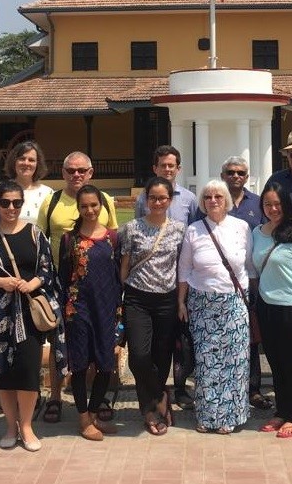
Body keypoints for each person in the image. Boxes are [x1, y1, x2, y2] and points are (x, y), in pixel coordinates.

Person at [0, 180, 63, 452]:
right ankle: (11, 426)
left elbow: (47, 270)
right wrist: (0, 282)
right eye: (5, 202)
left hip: (28, 316)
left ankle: (28, 426)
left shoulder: (35, 234)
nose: (11, 207)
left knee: (28, 371)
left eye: (16, 203)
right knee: (3, 373)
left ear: (22, 205)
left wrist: (32, 284)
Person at [37, 151, 118, 424]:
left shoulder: (106, 201)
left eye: (81, 170)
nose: (76, 175)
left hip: (104, 298)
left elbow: (114, 252)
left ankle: (97, 401)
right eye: (71, 170)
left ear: (90, 172)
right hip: (70, 292)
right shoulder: (53, 201)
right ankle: (57, 397)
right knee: (65, 350)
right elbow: (41, 242)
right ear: (63, 173)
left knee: (102, 355)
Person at [178, 180, 252, 434]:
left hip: (233, 301)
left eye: (218, 196)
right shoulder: (193, 230)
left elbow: (248, 266)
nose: (213, 201)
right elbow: (184, 269)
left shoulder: (241, 227)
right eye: (208, 197)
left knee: (235, 360)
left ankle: (231, 415)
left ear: (227, 201)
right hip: (202, 302)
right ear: (202, 202)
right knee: (207, 360)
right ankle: (208, 415)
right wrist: (181, 301)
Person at [134, 145, 200, 410]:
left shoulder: (189, 199)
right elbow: (140, 235)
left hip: (181, 279)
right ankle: (158, 391)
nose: (167, 169)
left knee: (180, 340)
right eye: (163, 165)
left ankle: (180, 388)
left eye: (172, 166)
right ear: (155, 168)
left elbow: (195, 234)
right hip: (151, 280)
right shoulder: (144, 199)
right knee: (157, 342)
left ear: (178, 169)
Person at [119, 177, 186, 435]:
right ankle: (158, 397)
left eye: (163, 198)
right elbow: (124, 266)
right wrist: (125, 292)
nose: (157, 202)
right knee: (139, 355)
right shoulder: (132, 228)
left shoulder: (180, 230)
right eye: (153, 198)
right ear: (146, 200)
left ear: (170, 200)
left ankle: (150, 407)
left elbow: (182, 267)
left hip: (167, 300)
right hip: (138, 298)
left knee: (161, 356)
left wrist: (181, 300)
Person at [58, 184, 121, 441]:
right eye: (84, 206)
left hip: (106, 308)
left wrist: (120, 309)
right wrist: (63, 312)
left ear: (102, 206)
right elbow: (63, 278)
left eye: (94, 205)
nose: (89, 210)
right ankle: (83, 418)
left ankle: (94, 414)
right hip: (78, 309)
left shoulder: (113, 238)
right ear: (79, 208)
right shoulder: (68, 239)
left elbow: (118, 274)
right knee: (81, 366)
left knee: (106, 366)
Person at [252, 182, 292, 439]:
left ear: (285, 205)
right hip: (267, 307)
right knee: (276, 362)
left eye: (277, 204)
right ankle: (281, 410)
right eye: (268, 204)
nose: (273, 208)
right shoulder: (257, 232)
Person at [220, 156, 271, 411]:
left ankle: (253, 388)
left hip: (251, 279)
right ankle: (227, 385)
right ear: (223, 176)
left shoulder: (257, 203)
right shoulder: (215, 200)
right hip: (220, 282)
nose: (236, 176)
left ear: (247, 176)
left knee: (251, 335)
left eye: (240, 172)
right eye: (230, 172)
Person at [0, 141, 53, 223]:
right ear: (14, 162)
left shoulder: (48, 193)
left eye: (31, 160)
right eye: (22, 159)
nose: (26, 163)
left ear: (37, 164)